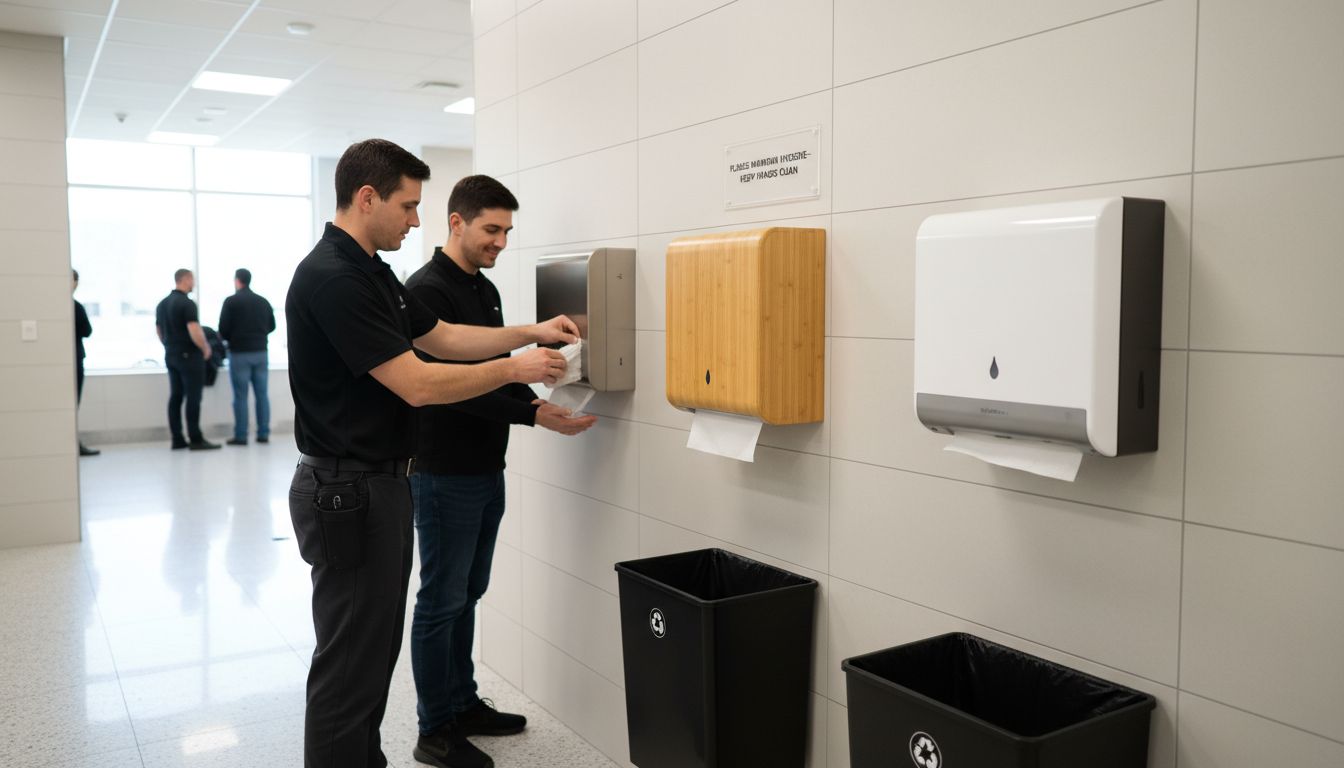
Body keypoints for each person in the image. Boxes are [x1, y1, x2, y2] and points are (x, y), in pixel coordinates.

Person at [285, 138, 576, 768]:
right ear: (367, 199)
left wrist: (529, 334)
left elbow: (440, 337)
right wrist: (513, 371)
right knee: (350, 664)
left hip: (377, 484)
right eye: (409, 206)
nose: (417, 220)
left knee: (370, 654)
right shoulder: (335, 278)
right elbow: (417, 381)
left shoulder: (369, 270)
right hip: (348, 489)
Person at [404, 175, 597, 768]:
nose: (501, 242)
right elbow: (453, 390)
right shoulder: (424, 292)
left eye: (508, 231)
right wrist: (535, 413)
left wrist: (532, 400)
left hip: (485, 467)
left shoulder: (483, 292)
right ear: (456, 223)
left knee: (468, 593)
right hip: (442, 473)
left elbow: (494, 375)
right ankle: (434, 728)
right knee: (441, 600)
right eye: (492, 229)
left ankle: (463, 705)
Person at [155, 268, 220, 450]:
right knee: (193, 397)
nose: (194, 284)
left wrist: (170, 346)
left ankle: (177, 439)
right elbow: (194, 330)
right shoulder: (187, 303)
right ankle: (195, 438)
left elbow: (159, 331)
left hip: (171, 355)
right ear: (186, 279)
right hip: (189, 356)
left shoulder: (162, 304)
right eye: (193, 280)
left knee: (176, 396)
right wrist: (205, 347)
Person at [218, 267, 276, 445]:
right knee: (262, 394)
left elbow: (223, 329)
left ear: (237, 281)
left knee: (240, 396)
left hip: (239, 354)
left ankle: (241, 436)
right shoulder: (263, 301)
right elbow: (272, 326)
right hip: (260, 353)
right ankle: (263, 433)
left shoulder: (231, 302)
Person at [73, 269, 99, 457]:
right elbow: (87, 330)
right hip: (74, 362)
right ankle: (72, 443)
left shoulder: (75, 306)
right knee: (72, 405)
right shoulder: (74, 306)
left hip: (75, 359)